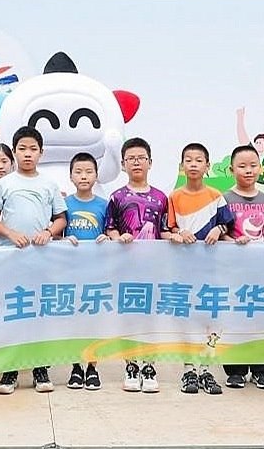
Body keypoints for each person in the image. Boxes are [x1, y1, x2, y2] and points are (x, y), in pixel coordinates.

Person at [0, 126, 68, 395]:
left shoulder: (49, 184)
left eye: (33, 149)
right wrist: (11, 233)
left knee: (39, 313)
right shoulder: (4, 184)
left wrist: (48, 233)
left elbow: (61, 219)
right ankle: (10, 371)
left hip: (41, 259)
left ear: (41, 153)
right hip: (11, 258)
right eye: (22, 149)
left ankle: (40, 368)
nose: (28, 154)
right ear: (14, 152)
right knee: (13, 313)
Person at [167, 143, 235, 396]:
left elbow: (228, 225)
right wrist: (178, 233)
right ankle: (188, 371)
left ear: (207, 166)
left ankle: (206, 369)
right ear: (182, 165)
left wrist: (219, 229)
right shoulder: (174, 197)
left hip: (212, 269)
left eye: (199, 160)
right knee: (187, 319)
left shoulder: (216, 196)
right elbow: (169, 228)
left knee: (210, 319)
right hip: (184, 269)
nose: (193, 164)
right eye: (189, 160)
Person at [105, 137, 170, 393]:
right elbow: (109, 228)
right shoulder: (117, 197)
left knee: (151, 319)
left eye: (141, 158)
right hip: (126, 269)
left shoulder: (161, 197)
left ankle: (150, 366)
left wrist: (176, 236)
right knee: (129, 318)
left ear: (150, 162)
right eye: (130, 158)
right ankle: (131, 366)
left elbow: (164, 230)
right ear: (123, 164)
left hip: (153, 269)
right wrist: (118, 238)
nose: (136, 162)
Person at [220, 144, 264, 390]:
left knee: (261, 319)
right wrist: (233, 241)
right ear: (231, 169)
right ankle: (235, 370)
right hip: (233, 270)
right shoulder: (224, 199)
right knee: (234, 318)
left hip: (261, 271)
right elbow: (219, 232)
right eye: (242, 166)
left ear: (260, 168)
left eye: (253, 165)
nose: (248, 170)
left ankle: (262, 370)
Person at [63, 152, 109, 392]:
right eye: (78, 172)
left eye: (89, 172)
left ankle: (92, 367)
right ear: (71, 176)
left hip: (97, 274)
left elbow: (110, 232)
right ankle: (75, 367)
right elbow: (56, 235)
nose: (83, 176)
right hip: (71, 273)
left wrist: (106, 238)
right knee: (74, 321)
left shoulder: (104, 205)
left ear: (96, 175)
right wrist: (64, 240)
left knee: (93, 321)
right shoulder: (64, 204)